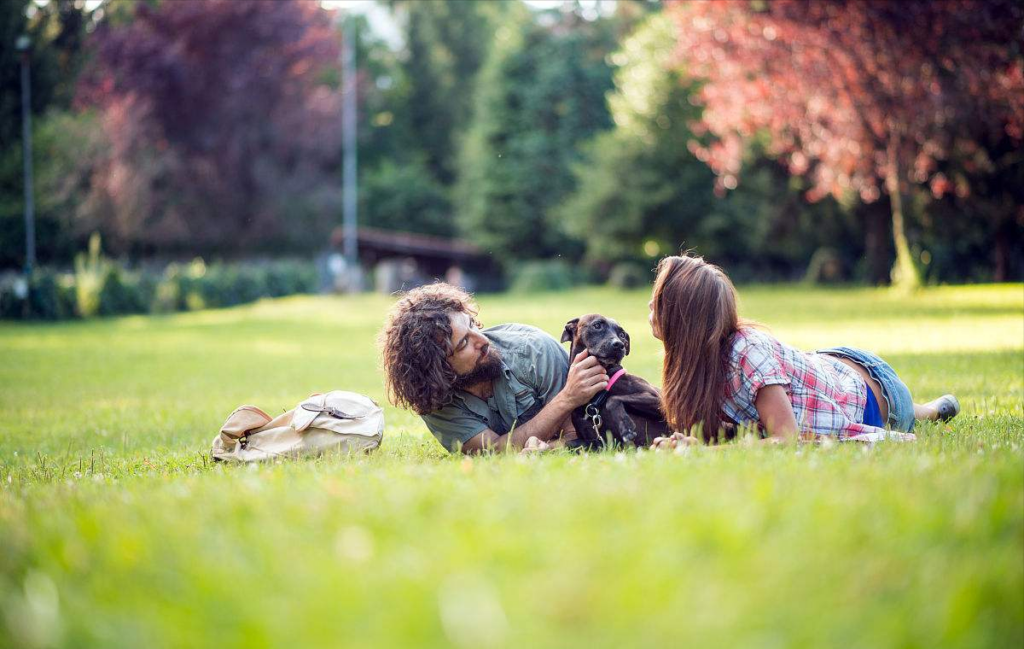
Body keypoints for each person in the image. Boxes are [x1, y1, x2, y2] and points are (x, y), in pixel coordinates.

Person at [646, 254, 960, 448]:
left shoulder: (746, 354)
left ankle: (929, 410)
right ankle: (926, 408)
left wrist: (704, 454)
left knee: (911, 413)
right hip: (828, 367)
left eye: (659, 301)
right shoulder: (700, 363)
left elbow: (787, 438)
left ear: (685, 317)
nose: (650, 306)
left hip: (874, 392)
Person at [379, 283, 609, 453]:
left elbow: (576, 437)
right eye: (464, 343)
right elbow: (491, 452)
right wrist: (566, 400)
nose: (482, 340)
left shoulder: (534, 351)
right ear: (440, 370)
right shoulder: (434, 402)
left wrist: (568, 400)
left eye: (471, 325)